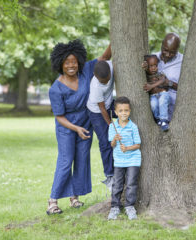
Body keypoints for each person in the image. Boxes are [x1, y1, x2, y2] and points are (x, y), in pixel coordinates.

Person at [47, 39, 111, 215]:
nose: (71, 65)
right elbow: (59, 117)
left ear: (79, 62)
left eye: (74, 61)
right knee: (66, 161)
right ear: (60, 64)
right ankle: (52, 201)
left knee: (82, 160)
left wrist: (115, 39)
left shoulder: (86, 72)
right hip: (67, 128)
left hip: (85, 124)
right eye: (67, 62)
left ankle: (74, 198)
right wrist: (75, 128)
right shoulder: (55, 89)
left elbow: (105, 57)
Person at [142, 33, 196, 199]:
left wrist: (169, 83)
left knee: (184, 156)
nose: (167, 54)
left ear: (177, 50)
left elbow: (187, 87)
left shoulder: (183, 62)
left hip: (173, 115)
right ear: (162, 45)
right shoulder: (153, 58)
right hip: (154, 115)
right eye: (165, 50)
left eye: (172, 52)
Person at [107, 96, 141, 220]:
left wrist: (127, 148)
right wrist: (115, 140)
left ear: (130, 111)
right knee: (117, 184)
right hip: (119, 160)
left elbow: (138, 144)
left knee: (131, 183)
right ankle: (115, 206)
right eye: (120, 111)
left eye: (126, 110)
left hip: (133, 159)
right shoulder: (112, 127)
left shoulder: (133, 127)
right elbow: (111, 144)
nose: (123, 113)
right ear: (116, 113)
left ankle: (129, 206)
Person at [87, 60, 115, 190]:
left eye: (107, 80)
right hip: (97, 112)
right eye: (102, 81)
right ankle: (110, 176)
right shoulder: (95, 86)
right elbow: (102, 109)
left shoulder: (112, 66)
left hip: (110, 103)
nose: (105, 83)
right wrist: (111, 125)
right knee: (105, 142)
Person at [143, 54, 171, 131]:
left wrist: (151, 86)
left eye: (155, 65)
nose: (153, 68)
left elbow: (163, 80)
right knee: (153, 104)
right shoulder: (145, 75)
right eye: (150, 66)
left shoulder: (159, 74)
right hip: (153, 95)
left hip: (163, 94)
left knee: (162, 101)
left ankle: (164, 120)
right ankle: (158, 119)